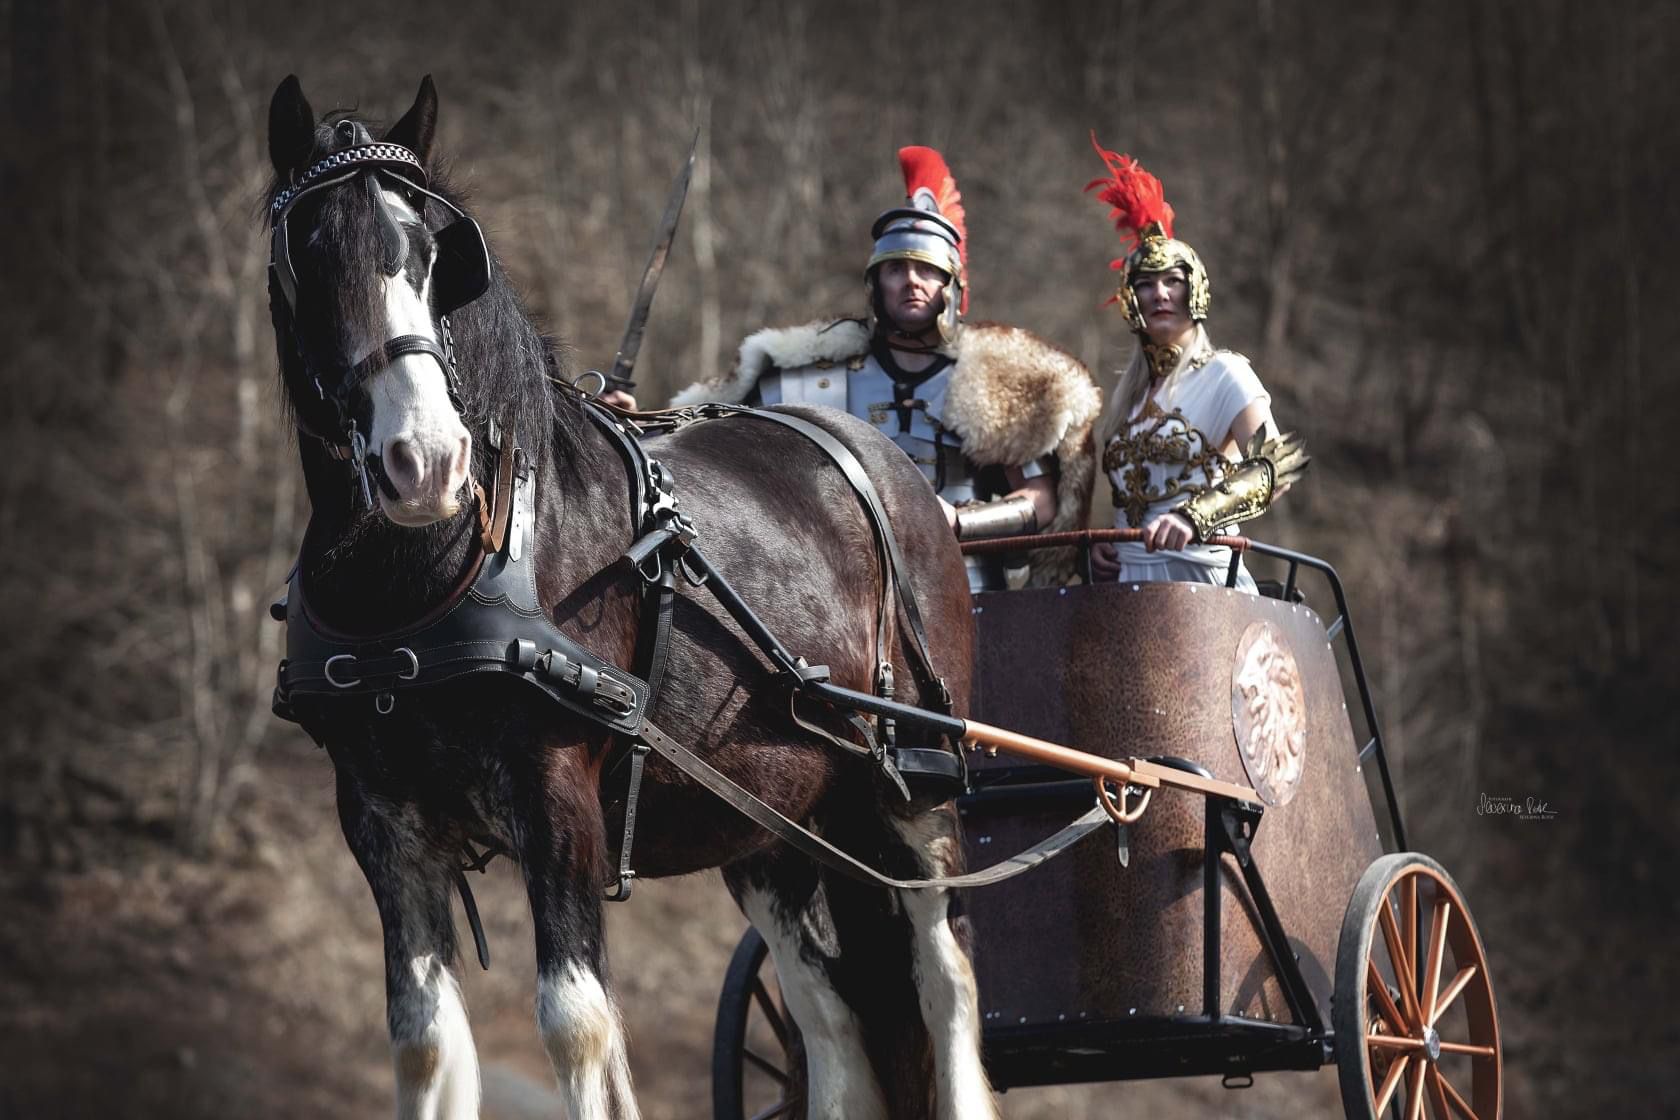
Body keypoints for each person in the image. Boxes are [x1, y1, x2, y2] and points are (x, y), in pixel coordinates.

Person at [670, 146, 1100, 591]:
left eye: (926, 270)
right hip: (846, 593)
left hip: (963, 584)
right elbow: (710, 439)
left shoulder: (995, 385)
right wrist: (631, 418)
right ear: (876, 285)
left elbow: (1041, 500)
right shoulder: (820, 378)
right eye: (896, 269)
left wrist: (960, 520)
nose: (911, 280)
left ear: (951, 287)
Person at [1083, 137, 1307, 590]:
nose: (1160, 293)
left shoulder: (1225, 373)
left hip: (1203, 586)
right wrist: (1102, 545)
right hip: (1126, 589)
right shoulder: (1127, 399)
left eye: (1172, 281)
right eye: (1146, 284)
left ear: (1195, 290)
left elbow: (1277, 466)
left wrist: (1195, 516)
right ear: (1131, 299)